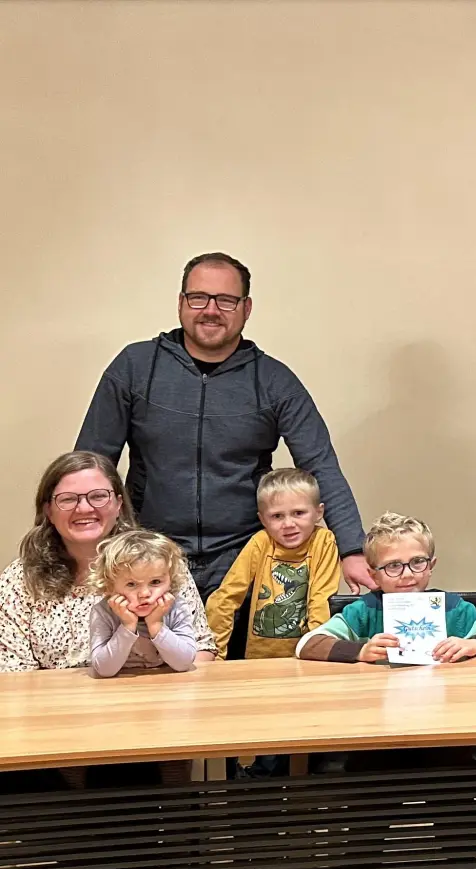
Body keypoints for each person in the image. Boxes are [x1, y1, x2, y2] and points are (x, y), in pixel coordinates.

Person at [75, 252, 374, 619]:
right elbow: (90, 465)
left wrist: (352, 550)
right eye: (198, 298)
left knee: (242, 671)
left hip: (246, 557)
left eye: (226, 300)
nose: (211, 310)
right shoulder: (134, 367)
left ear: (246, 308)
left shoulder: (275, 381)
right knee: (149, 669)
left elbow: (320, 465)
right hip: (149, 558)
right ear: (181, 303)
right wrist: (78, 546)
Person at [0, 451, 217, 673]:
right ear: (49, 511)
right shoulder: (20, 580)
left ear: (118, 505)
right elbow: (12, 673)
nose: (84, 508)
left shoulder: (162, 564)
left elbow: (202, 650)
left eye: (98, 496)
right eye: (67, 499)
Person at [295, 513, 476, 663]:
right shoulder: (363, 611)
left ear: (431, 566)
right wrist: (360, 651)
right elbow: (307, 644)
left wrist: (475, 644)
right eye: (393, 566)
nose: (408, 574)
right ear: (374, 575)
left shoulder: (451, 608)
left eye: (417, 562)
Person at [206, 468, 340, 660]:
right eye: (277, 516)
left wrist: (315, 650)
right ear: (262, 519)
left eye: (298, 513)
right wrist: (215, 656)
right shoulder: (260, 542)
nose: (288, 524)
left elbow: (320, 601)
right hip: (258, 660)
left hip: (306, 657)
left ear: (318, 512)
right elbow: (225, 599)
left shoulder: (324, 542)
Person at [88, 530, 203, 678]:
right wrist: (127, 626)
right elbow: (103, 669)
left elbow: (184, 663)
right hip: (117, 689)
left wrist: (156, 625)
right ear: (109, 586)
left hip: (168, 684)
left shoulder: (175, 606)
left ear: (171, 580)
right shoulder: (103, 612)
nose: (144, 594)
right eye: (131, 584)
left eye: (155, 582)